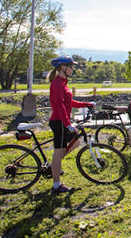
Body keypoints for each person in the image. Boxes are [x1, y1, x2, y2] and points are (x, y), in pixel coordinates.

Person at [48, 55, 94, 194]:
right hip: (59, 122)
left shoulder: (62, 83)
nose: (73, 69)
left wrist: (86, 104)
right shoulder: (57, 83)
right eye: (71, 66)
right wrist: (67, 123)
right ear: (63, 67)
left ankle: (54, 166)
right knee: (58, 152)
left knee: (76, 141)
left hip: (62, 121)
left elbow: (69, 103)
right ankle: (56, 185)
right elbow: (59, 106)